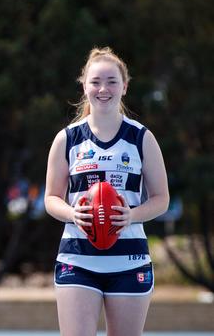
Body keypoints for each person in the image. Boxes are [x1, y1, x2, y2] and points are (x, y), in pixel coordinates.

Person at [44, 47, 170, 336]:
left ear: (124, 87)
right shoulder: (67, 139)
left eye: (112, 81)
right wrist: (73, 213)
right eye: (96, 81)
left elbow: (162, 199)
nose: (104, 89)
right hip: (77, 258)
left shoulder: (141, 138)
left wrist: (132, 215)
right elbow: (51, 198)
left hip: (129, 260)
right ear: (84, 85)